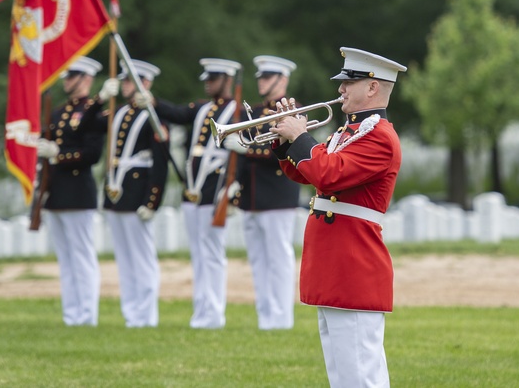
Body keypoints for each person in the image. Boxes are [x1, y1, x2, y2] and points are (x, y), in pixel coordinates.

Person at [270, 47, 406, 388]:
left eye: (349, 83)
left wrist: (299, 136)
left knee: (360, 373)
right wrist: (284, 142)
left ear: (373, 88)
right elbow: (307, 174)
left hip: (353, 263)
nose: (340, 90)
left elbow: (329, 174)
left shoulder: (379, 137)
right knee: (343, 373)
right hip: (334, 262)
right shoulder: (349, 132)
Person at [151, 58, 242, 329]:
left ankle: (214, 313)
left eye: (213, 79)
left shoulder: (238, 112)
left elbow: (243, 155)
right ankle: (201, 311)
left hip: (216, 191)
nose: (207, 83)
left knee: (212, 254)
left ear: (227, 81)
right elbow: (178, 114)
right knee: (199, 255)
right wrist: (153, 102)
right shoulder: (202, 108)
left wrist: (234, 193)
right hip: (194, 190)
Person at [87, 59, 170, 328]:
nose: (124, 86)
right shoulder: (118, 111)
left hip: (137, 192)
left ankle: (146, 316)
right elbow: (86, 125)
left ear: (144, 83)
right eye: (122, 81)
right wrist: (100, 99)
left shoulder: (152, 115)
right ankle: (131, 314)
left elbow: (160, 162)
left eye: (128, 81)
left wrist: (152, 200)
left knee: (141, 257)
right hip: (116, 191)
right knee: (124, 258)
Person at [227, 55, 302, 330]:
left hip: (278, 196)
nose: (261, 82)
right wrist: (235, 190)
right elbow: (245, 160)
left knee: (278, 259)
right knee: (258, 260)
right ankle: (265, 317)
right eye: (260, 77)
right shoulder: (256, 111)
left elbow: (284, 151)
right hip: (251, 197)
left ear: (282, 80)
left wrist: (247, 148)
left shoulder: (292, 110)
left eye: (267, 77)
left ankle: (281, 320)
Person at [35, 56, 106, 327]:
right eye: (66, 76)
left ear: (86, 79)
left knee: (82, 256)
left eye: (72, 76)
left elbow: (92, 154)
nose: (66, 81)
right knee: (66, 259)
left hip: (78, 192)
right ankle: (71, 314)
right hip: (56, 192)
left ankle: (87, 315)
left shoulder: (93, 113)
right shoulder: (57, 112)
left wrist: (58, 155)